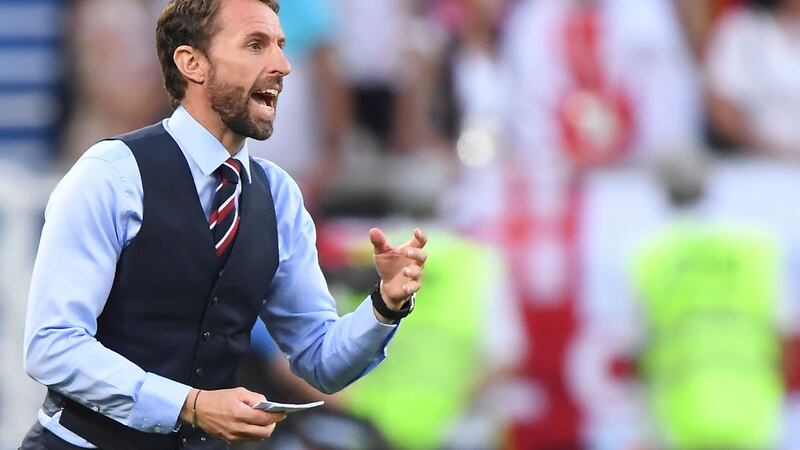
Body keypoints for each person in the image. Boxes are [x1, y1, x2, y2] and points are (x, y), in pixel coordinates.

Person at [19, 0, 428, 448]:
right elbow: (52, 346)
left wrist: (384, 306)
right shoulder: (111, 174)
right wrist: (189, 404)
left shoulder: (279, 195)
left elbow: (320, 361)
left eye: (280, 45)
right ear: (191, 63)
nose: (283, 65)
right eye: (255, 45)